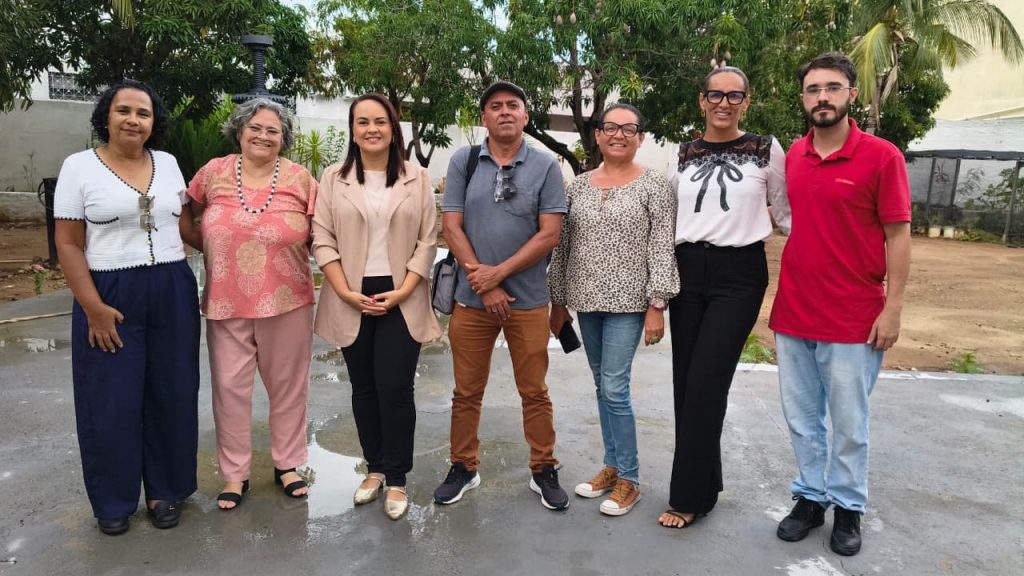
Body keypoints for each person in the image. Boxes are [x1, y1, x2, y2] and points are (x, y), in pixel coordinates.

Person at [771, 52, 910, 556]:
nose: (822, 97)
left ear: (851, 94)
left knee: (850, 423)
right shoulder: (794, 155)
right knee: (802, 418)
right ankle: (810, 498)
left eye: (832, 87)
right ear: (803, 98)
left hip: (854, 317)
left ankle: (848, 506)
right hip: (794, 312)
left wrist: (892, 309)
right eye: (813, 89)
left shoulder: (882, 157)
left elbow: (898, 236)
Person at [54, 80, 200, 535]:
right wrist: (93, 307)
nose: (133, 120)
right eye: (124, 111)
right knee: (109, 399)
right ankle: (113, 499)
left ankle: (165, 491)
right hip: (110, 291)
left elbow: (188, 227)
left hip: (172, 287)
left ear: (154, 122)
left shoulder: (168, 164)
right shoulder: (79, 167)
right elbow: (68, 243)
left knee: (173, 392)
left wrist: (241, 248)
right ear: (107, 116)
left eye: (143, 113)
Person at [658, 66, 792, 529]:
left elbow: (785, 212)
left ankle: (688, 497)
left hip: (739, 274)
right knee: (686, 383)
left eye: (734, 96)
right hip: (687, 270)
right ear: (702, 100)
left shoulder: (766, 149)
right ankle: (706, 483)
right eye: (715, 95)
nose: (724, 103)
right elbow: (668, 219)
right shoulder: (682, 154)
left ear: (746, 102)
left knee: (706, 382)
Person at [433, 81, 570, 510]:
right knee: (466, 392)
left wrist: (499, 275)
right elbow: (451, 226)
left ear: (526, 116)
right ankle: (463, 466)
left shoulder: (545, 166)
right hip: (471, 300)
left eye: (513, 105)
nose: (505, 111)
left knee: (534, 391)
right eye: (495, 106)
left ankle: (543, 468)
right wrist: (485, 282)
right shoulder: (465, 161)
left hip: (527, 301)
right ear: (484, 117)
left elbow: (549, 234)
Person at [179, 98, 317, 510]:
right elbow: (185, 216)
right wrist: (214, 251)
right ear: (239, 131)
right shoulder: (213, 173)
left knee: (289, 387)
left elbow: (321, 233)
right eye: (255, 127)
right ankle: (234, 474)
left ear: (284, 139)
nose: (263, 136)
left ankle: (288, 464)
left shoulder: (301, 179)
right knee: (229, 389)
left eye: (273, 130)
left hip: (288, 299)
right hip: (226, 301)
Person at [312, 93, 441, 520]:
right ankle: (375, 468)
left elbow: (428, 239)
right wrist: (344, 291)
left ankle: (397, 478)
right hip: (350, 292)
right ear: (352, 130)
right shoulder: (333, 178)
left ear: (393, 128)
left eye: (380, 121)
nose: (372, 129)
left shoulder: (416, 177)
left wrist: (405, 290)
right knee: (364, 388)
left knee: (395, 387)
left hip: (402, 293)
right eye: (363, 121)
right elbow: (322, 238)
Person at [548, 103, 679, 517]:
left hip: (629, 303)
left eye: (629, 128)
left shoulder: (654, 185)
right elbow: (562, 246)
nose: (618, 134)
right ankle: (612, 465)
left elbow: (662, 247)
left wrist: (657, 303)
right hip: (586, 300)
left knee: (615, 387)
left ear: (641, 137)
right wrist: (557, 301)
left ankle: (630, 480)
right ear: (598, 135)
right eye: (610, 127)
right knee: (600, 385)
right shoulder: (578, 186)